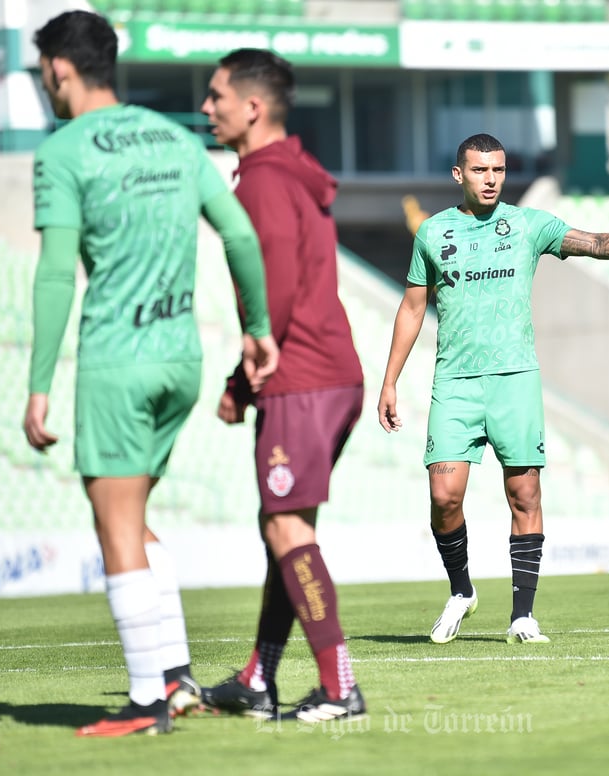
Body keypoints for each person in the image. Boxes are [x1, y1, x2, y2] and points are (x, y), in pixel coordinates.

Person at [22, 11, 278, 737]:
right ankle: (175, 678)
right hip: (181, 362)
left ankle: (144, 703)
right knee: (136, 519)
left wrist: (39, 384)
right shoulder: (174, 137)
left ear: (59, 70)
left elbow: (53, 275)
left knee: (115, 525)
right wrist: (256, 329)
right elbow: (237, 233)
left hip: (118, 362)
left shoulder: (64, 151)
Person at [378, 133, 609, 645]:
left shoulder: (527, 225)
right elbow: (413, 308)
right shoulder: (433, 233)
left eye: (498, 170)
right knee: (443, 495)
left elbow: (593, 242)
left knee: (524, 494)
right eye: (480, 170)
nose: (491, 179)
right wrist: (389, 381)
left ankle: (522, 615)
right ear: (459, 175)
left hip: (515, 379)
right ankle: (462, 591)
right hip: (455, 382)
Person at [196, 48, 367, 724]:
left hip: (299, 375)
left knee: (286, 525)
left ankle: (338, 687)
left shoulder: (263, 183)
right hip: (328, 373)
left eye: (216, 97)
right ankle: (259, 678)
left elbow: (278, 296)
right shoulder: (292, 175)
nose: (206, 108)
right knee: (285, 530)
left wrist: (242, 378)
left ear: (252, 106)